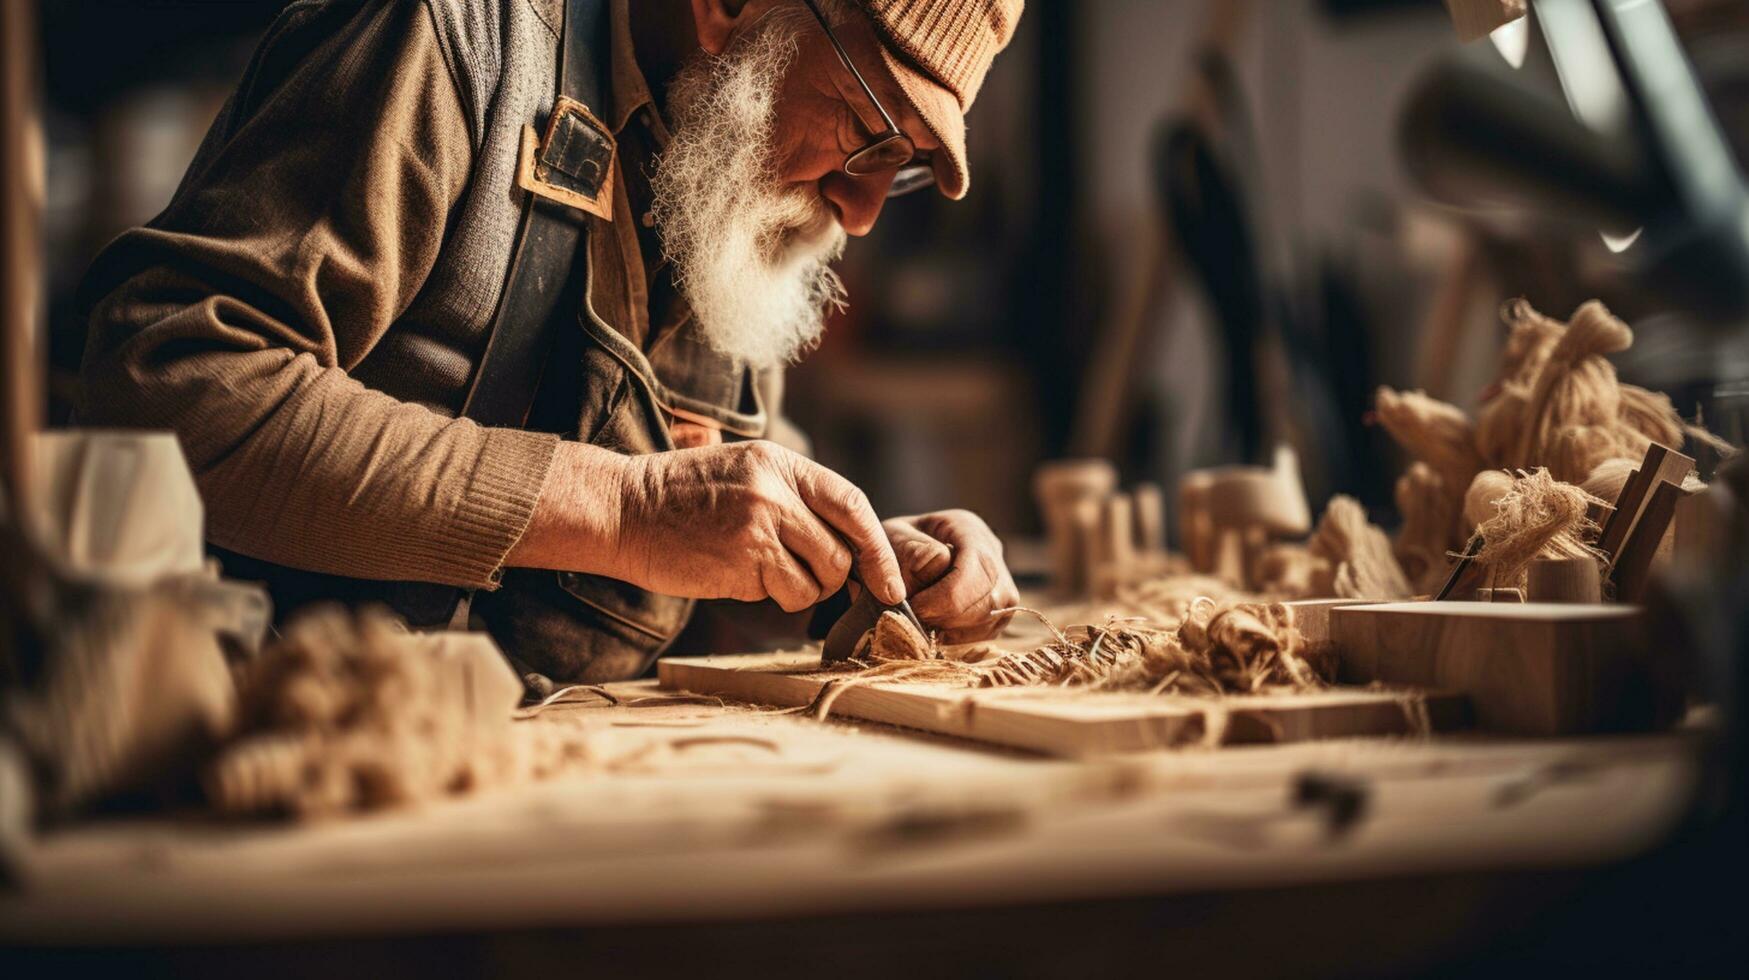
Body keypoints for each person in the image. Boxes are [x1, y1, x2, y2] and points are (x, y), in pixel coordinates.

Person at [76, 0, 1022, 682]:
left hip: (544, 775)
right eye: (867, 133)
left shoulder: (735, 177)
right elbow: (170, 382)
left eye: (898, 171)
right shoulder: (447, 36)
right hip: (283, 749)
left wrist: (853, 571)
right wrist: (620, 510)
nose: (859, 215)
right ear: (728, 9)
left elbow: (692, 514)